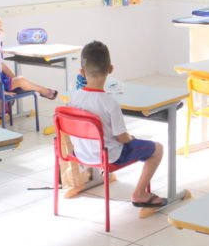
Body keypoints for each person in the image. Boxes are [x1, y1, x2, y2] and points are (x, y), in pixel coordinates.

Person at [61, 40, 166, 206]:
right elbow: (122, 138)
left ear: (81, 72)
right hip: (109, 157)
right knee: (157, 149)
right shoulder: (110, 103)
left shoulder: (74, 97)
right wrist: (131, 138)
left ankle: (97, 177)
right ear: (111, 69)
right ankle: (139, 193)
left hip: (80, 153)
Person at [0, 12, 58, 101]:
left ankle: (42, 90)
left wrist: (14, 78)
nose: (1, 32)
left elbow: (1, 65)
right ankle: (43, 90)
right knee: (21, 80)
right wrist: (1, 91)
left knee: (20, 80)